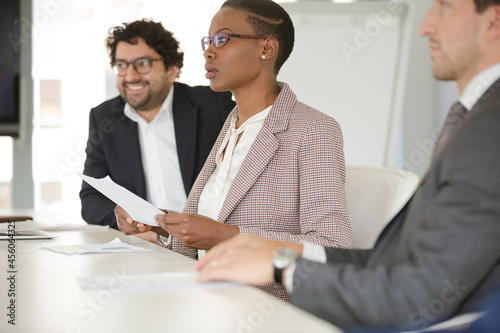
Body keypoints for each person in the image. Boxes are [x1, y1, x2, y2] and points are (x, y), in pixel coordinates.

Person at [194, 0, 500, 330]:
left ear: (493, 21)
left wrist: (283, 269)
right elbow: (395, 264)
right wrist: (277, 256)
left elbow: (415, 293)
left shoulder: (489, 128)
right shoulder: (476, 120)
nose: (425, 26)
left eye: (443, 6)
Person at [115, 0, 351, 300]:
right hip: (209, 296)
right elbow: (210, 232)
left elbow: (331, 247)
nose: (208, 51)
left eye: (222, 39)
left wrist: (227, 236)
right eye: (207, 41)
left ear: (266, 49)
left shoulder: (313, 129)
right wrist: (162, 224)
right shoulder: (232, 125)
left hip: (266, 307)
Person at [80, 19, 235, 230]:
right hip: (147, 246)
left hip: (207, 242)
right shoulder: (104, 118)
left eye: (143, 64)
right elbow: (91, 199)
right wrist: (121, 215)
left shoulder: (212, 105)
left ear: (172, 69)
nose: (131, 76)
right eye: (122, 65)